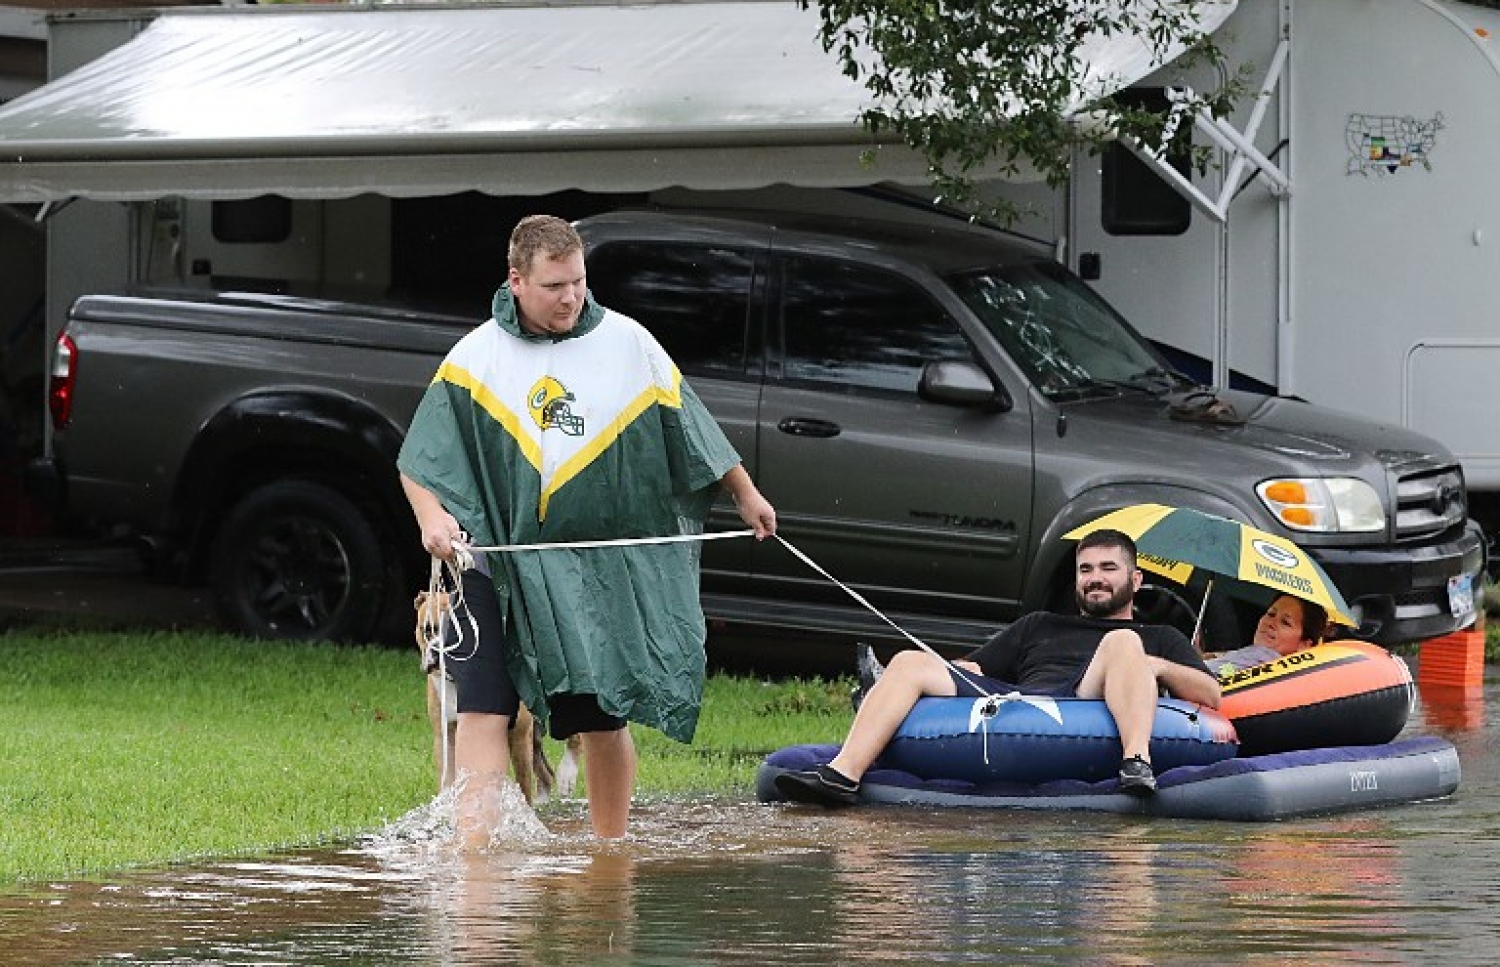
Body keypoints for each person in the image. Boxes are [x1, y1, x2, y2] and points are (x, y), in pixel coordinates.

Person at [398, 214, 776, 841]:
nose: (571, 296)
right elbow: (420, 459)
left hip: (587, 574)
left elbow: (692, 427)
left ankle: (610, 857)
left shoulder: (629, 344)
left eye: (577, 281)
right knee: (484, 712)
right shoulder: (475, 357)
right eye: (554, 286)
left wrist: (745, 494)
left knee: (598, 717)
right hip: (493, 560)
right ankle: (476, 866)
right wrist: (432, 518)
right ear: (516, 280)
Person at [776, 529, 1221, 805]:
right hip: (1020, 700)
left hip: (1087, 696)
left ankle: (1135, 763)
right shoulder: (1040, 623)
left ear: (1135, 579)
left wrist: (1154, 664)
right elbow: (974, 666)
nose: (1096, 578)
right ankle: (842, 775)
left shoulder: (1159, 635)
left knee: (1122, 640)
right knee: (912, 660)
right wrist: (904, 675)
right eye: (1086, 569)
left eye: (1108, 568)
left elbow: (1212, 695)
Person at [1203, 594, 1327, 676]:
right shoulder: (1254, 655)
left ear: (1304, 645)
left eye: (1285, 622)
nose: (1271, 623)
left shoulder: (1266, 659)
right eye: (1271, 614)